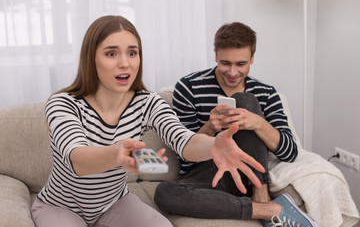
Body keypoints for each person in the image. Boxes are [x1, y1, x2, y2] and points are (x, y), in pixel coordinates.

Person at [30, 15, 267, 227]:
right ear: (91, 59)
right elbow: (77, 160)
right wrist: (116, 154)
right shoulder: (63, 103)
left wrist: (213, 146)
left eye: (132, 53)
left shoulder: (147, 103)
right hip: (59, 207)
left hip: (114, 204)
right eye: (111, 53)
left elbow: (184, 141)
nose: (125, 63)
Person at [154, 22, 319, 227]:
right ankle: (265, 209)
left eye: (240, 64)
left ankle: (261, 193)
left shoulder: (267, 93)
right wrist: (210, 128)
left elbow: (290, 152)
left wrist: (257, 123)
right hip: (208, 174)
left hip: (250, 174)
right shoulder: (188, 87)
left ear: (252, 57)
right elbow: (184, 158)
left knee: (245, 101)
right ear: (215, 55)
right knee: (164, 193)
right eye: (225, 63)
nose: (232, 72)